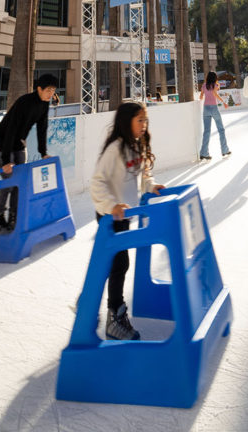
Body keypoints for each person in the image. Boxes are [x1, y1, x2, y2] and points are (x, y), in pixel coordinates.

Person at [90, 101, 165, 341]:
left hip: (124, 215)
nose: (144, 125)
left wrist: (151, 186)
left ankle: (86, 303)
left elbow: (143, 174)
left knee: (110, 264)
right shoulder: (116, 148)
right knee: (119, 264)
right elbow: (97, 182)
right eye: (139, 120)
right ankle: (116, 317)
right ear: (126, 122)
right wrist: (111, 205)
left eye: (146, 120)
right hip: (110, 216)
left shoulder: (136, 145)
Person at [0, 73, 57, 233]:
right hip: (3, 142)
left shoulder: (44, 104)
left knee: (19, 184)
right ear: (39, 89)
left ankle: (15, 217)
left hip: (20, 143)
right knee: (8, 182)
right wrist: (6, 160)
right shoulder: (24, 102)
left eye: (53, 91)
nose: (51, 94)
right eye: (48, 90)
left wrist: (43, 152)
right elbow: (10, 129)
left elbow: (42, 128)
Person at [199, 71, 230, 160]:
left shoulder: (204, 86)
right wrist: (224, 102)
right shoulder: (215, 86)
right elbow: (215, 94)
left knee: (206, 131)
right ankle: (224, 150)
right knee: (221, 129)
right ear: (215, 78)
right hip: (214, 108)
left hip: (206, 109)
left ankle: (204, 153)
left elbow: (201, 97)